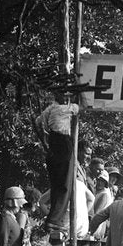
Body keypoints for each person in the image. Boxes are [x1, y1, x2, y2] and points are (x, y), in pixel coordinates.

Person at [35, 94, 79, 237]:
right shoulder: (66, 108)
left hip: (52, 142)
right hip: (63, 142)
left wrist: (46, 130)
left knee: (56, 184)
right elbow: (78, 108)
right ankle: (55, 220)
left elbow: (38, 121)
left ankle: (53, 219)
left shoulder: (50, 109)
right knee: (66, 183)